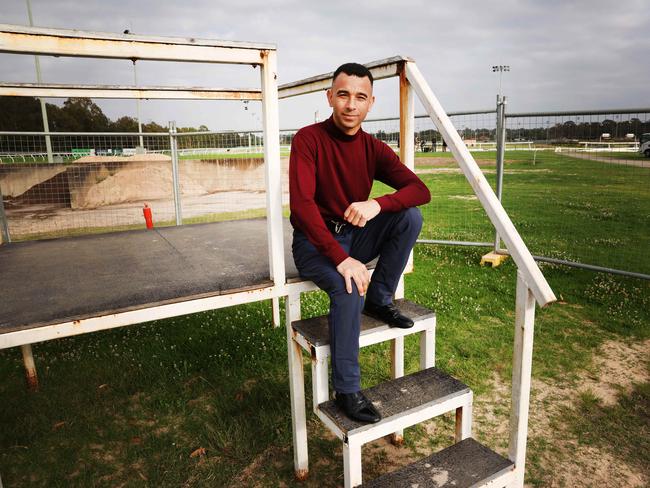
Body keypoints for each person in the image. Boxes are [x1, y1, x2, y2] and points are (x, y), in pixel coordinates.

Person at [289, 63, 431, 424]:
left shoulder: (373, 148)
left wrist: (377, 204)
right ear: (330, 98)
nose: (351, 104)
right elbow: (302, 207)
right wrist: (342, 259)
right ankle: (347, 391)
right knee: (348, 285)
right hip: (315, 243)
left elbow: (420, 191)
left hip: (356, 237)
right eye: (343, 95)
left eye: (360, 97)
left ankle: (380, 300)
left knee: (409, 216)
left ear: (370, 104)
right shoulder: (308, 139)